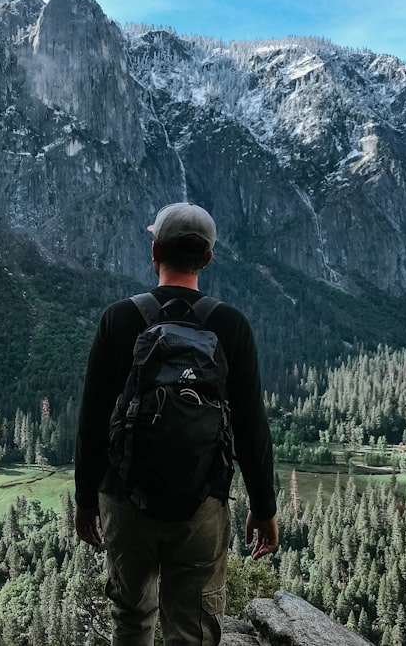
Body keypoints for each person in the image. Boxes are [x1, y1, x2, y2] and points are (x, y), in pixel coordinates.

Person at [74, 202, 279, 646]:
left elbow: (92, 419)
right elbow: (250, 427)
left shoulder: (119, 318)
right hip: (202, 502)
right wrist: (265, 508)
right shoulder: (230, 324)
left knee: (130, 617)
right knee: (193, 628)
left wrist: (86, 500)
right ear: (207, 258)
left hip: (125, 499)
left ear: (154, 251)